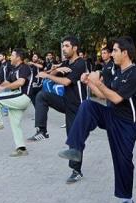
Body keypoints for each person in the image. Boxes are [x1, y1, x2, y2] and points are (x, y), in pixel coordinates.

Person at [58, 36, 136, 203]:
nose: (111, 54)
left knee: (123, 162)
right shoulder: (117, 71)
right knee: (88, 106)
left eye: (114, 51)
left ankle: (127, 201)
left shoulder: (135, 73)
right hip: (112, 116)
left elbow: (116, 98)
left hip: (127, 125)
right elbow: (103, 95)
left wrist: (97, 82)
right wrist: (89, 82)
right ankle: (75, 148)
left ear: (125, 53)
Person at [27, 36, 88, 183]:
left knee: (73, 138)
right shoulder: (66, 62)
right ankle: (42, 130)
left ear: (75, 48)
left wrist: (48, 75)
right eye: (63, 46)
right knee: (41, 95)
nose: (64, 48)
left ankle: (76, 171)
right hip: (66, 102)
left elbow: (67, 82)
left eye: (67, 46)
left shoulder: (80, 64)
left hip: (78, 107)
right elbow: (54, 75)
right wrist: (56, 69)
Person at [0, 48, 32, 156]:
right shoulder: (14, 69)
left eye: (13, 55)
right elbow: (7, 81)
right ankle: (21, 148)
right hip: (16, 97)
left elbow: (20, 82)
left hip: (23, 96)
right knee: (15, 124)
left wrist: (2, 90)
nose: (11, 57)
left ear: (19, 57)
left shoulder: (25, 67)